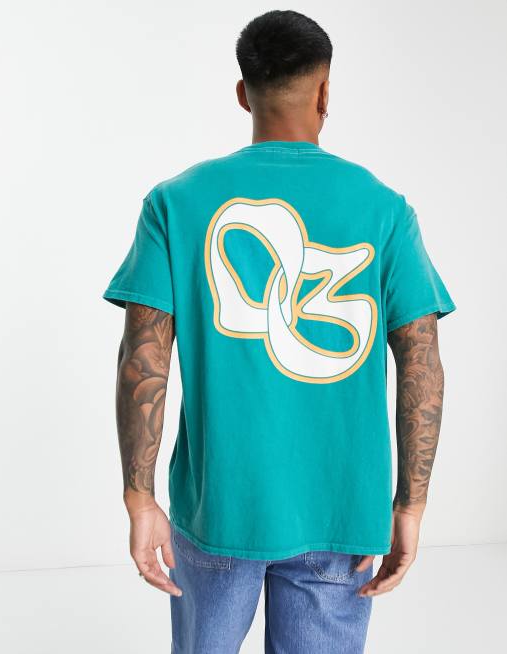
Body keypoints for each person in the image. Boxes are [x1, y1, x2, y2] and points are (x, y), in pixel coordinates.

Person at [103, 10, 456, 654]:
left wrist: (139, 497)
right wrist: (409, 505)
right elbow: (421, 362)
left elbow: (142, 359)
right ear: (325, 92)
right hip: (342, 510)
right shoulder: (384, 208)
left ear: (244, 93)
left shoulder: (175, 202)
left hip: (219, 507)